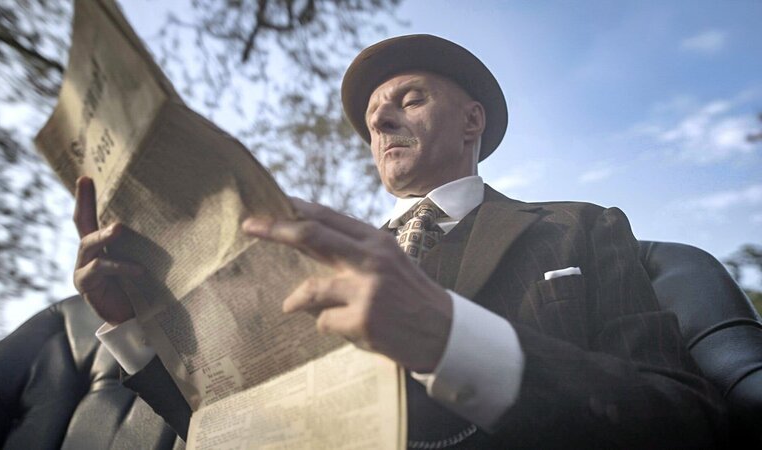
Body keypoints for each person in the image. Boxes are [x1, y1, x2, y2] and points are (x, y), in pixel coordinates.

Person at [74, 34, 727, 448]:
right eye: (370, 118)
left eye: (407, 99)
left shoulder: (582, 227)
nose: (379, 119)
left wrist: (449, 336)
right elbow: (239, 431)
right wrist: (137, 325)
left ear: (473, 120)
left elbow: (686, 424)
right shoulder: (307, 272)